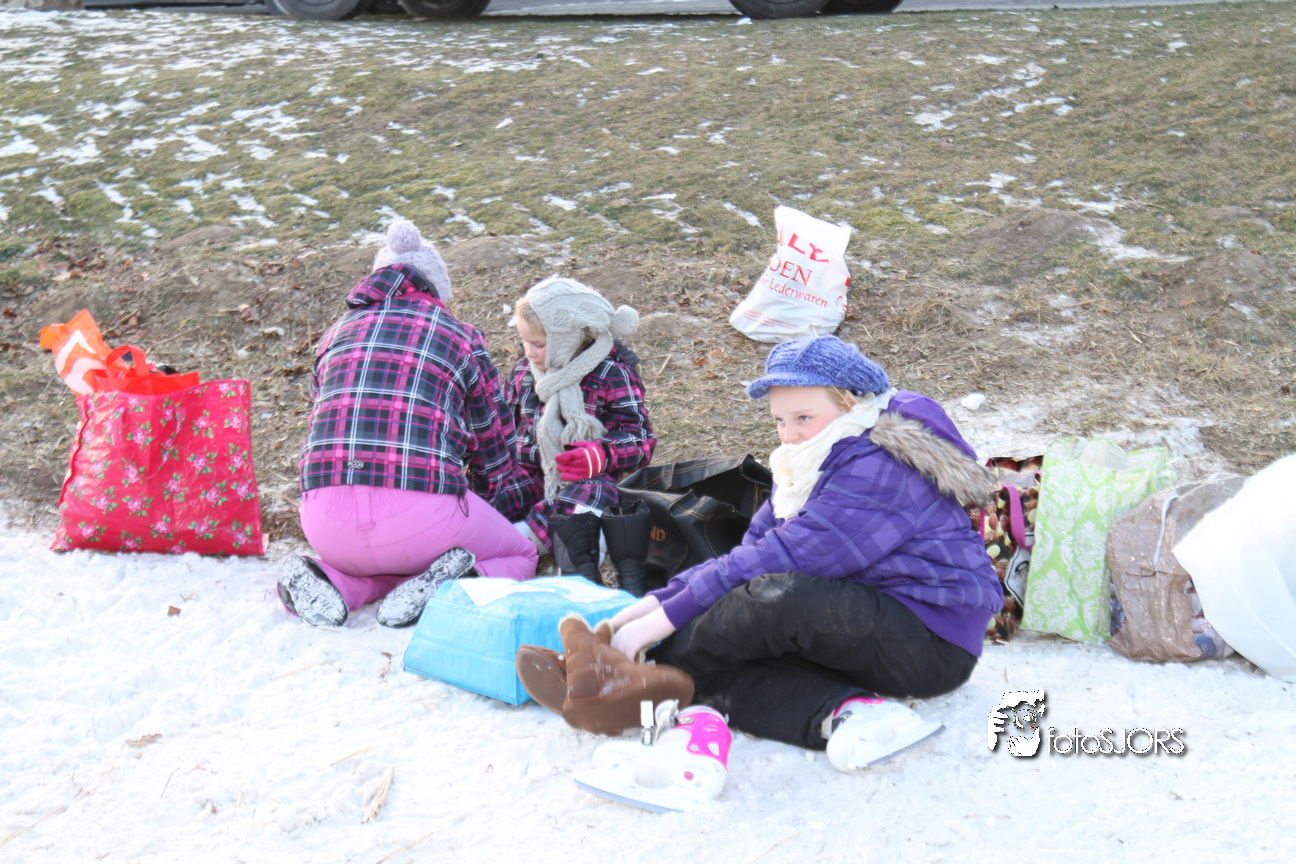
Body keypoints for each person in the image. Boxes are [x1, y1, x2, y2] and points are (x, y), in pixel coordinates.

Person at [603, 335, 1003, 772]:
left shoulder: (882, 462)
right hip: (863, 617)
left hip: (930, 641)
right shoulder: (810, 456)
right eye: (779, 420)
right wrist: (661, 600)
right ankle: (846, 712)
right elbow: (752, 551)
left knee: (775, 598)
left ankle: (660, 669)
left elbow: (790, 556)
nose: (788, 434)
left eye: (803, 418)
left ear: (851, 403)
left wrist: (668, 619)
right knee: (725, 648)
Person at [277, 218, 539, 630]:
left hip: (325, 521)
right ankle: (452, 586)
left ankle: (331, 580)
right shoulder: (460, 336)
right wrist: (494, 503)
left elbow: (321, 417)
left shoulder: (334, 335)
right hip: (421, 515)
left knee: (386, 557)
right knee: (521, 553)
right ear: (437, 290)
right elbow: (494, 452)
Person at [494, 276, 656, 593]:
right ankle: (499, 535)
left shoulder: (611, 372)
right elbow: (503, 422)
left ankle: (530, 543)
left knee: (592, 497)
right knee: (494, 493)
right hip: (530, 471)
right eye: (524, 342)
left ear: (567, 338)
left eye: (539, 345)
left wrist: (600, 455)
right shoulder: (526, 373)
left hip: (587, 477)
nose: (529, 352)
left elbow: (640, 439)